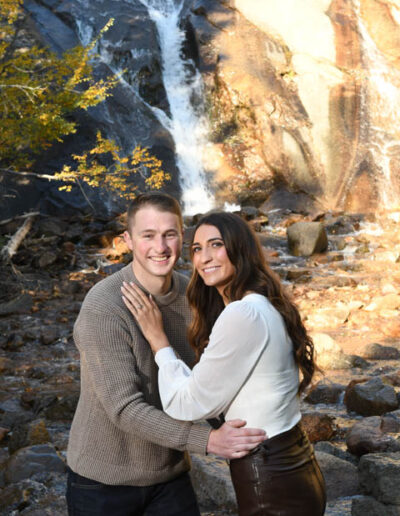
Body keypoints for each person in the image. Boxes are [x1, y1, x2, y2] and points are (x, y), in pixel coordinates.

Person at [66, 194, 266, 516]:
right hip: (102, 484)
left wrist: (252, 429)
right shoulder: (104, 306)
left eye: (169, 234)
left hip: (170, 475)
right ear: (128, 241)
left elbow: (209, 380)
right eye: (148, 235)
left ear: (182, 236)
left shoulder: (195, 296)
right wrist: (210, 441)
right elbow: (124, 408)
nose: (160, 247)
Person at [122, 210, 327, 516]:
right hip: (296, 468)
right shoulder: (264, 304)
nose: (204, 257)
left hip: (270, 481)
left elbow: (184, 405)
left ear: (239, 248)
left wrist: (158, 340)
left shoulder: (242, 314)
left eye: (216, 245)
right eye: (197, 249)